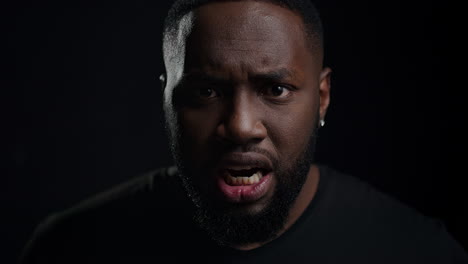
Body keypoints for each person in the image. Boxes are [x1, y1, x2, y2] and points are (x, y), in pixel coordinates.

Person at [20, 0, 467, 263]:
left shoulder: (417, 252)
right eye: (207, 91)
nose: (239, 126)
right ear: (168, 101)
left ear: (323, 98)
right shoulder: (69, 249)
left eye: (275, 88)